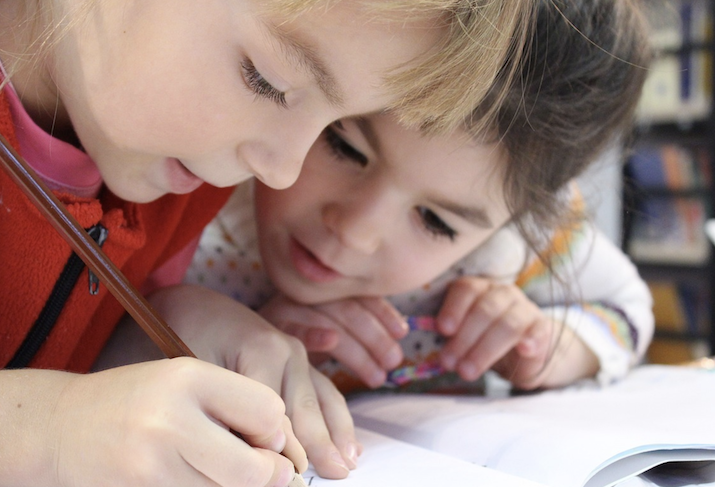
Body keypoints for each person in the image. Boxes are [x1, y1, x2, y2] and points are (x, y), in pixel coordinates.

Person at [0, 0, 534, 487]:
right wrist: (49, 435)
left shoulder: (185, 171)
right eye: (269, 81)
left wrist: (159, 330)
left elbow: (39, 344)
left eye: (334, 122)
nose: (282, 169)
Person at [181, 0, 654, 395]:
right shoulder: (195, 186)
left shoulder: (516, 248)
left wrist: (550, 347)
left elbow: (628, 309)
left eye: (435, 222)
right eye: (344, 147)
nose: (355, 231)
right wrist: (218, 336)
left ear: (517, 220)